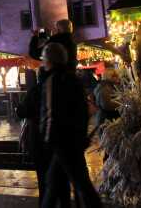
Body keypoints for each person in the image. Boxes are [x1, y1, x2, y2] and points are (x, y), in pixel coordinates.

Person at [40, 43, 102, 208]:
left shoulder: (53, 80)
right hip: (73, 139)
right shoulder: (73, 79)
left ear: (50, 59)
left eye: (44, 58)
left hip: (61, 141)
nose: (42, 61)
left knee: (80, 184)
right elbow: (83, 110)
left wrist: (48, 138)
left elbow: (52, 113)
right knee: (56, 183)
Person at [16, 69, 70, 206]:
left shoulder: (34, 91)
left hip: (39, 143)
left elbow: (22, 111)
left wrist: (19, 107)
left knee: (43, 179)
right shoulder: (63, 89)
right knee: (62, 181)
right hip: (60, 141)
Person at [94, 69, 120, 160]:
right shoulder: (104, 88)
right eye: (115, 76)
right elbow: (107, 104)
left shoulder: (109, 87)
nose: (118, 77)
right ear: (109, 77)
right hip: (106, 120)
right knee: (109, 149)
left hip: (108, 119)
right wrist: (121, 104)